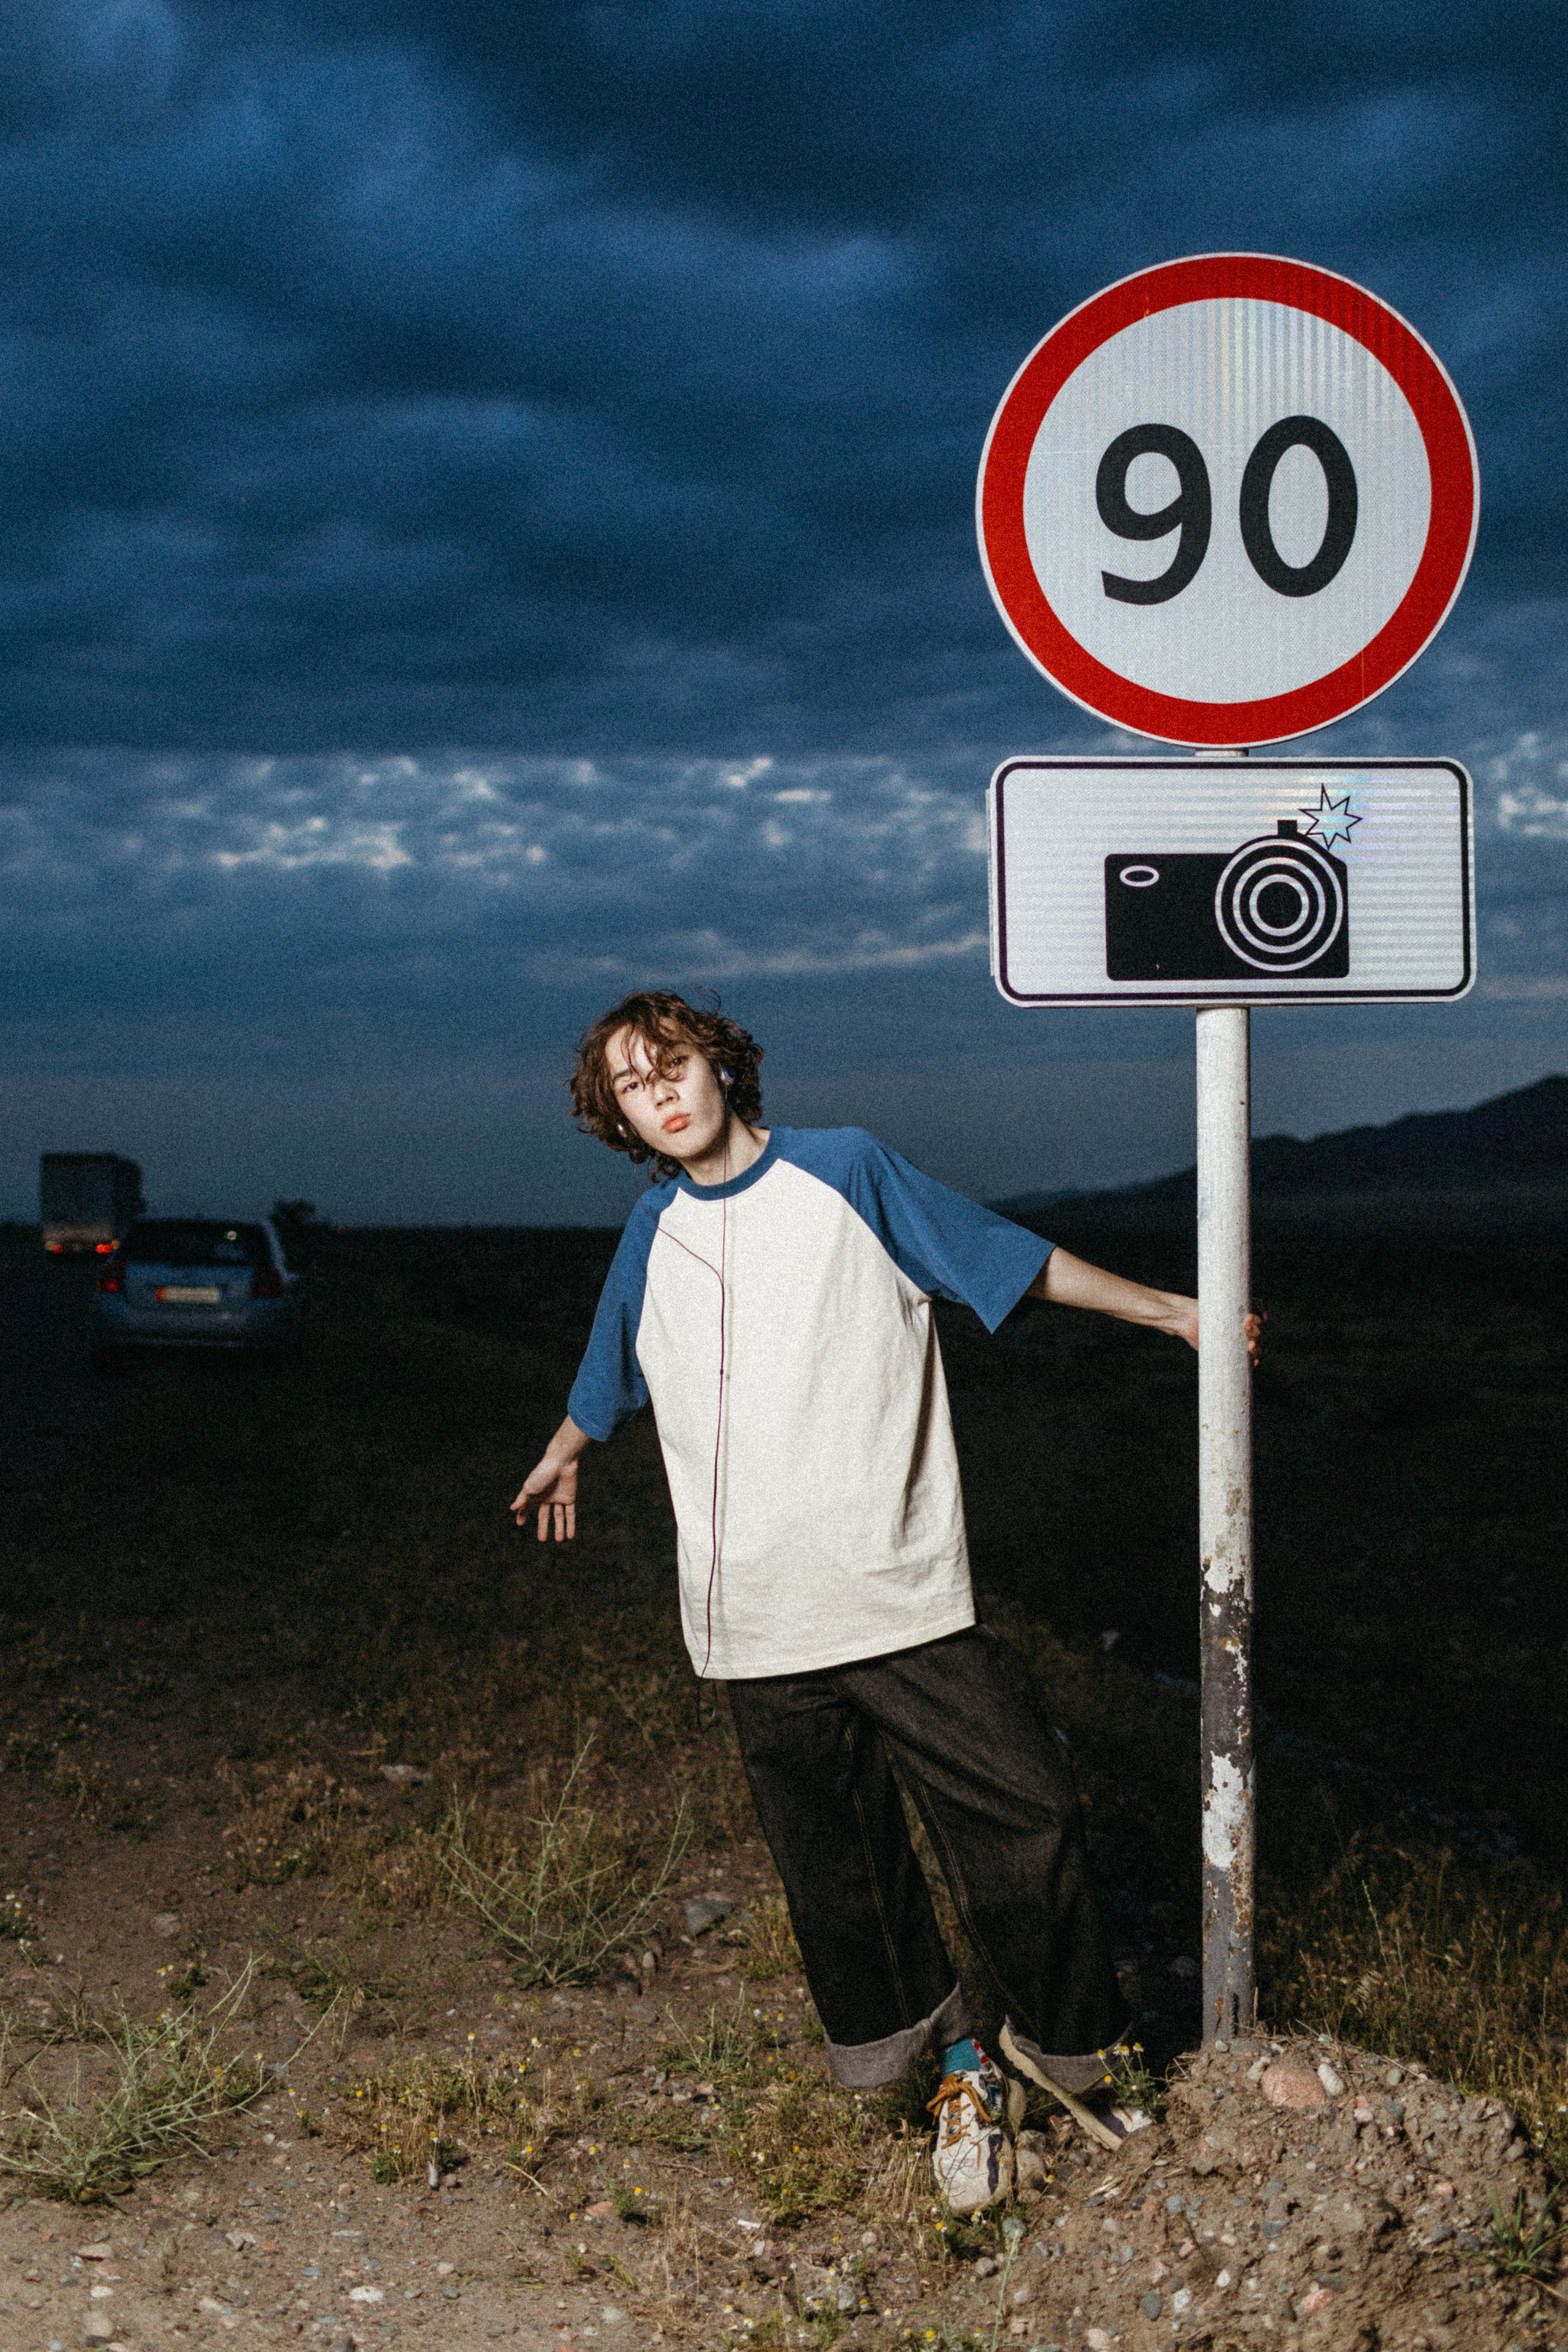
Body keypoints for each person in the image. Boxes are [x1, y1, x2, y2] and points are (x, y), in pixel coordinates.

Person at [513, 991, 1232, 2215]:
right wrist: (567, 1447)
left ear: (720, 1066)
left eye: (672, 1065)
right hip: (752, 1619)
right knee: (840, 1873)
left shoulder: (844, 1171)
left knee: (1030, 1814)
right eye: (634, 1087)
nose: (663, 1095)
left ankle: (1072, 2061)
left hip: (895, 1594)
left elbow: (1004, 1257)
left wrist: (1174, 1310)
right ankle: (954, 2071)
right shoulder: (651, 1229)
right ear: (617, 1115)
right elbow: (611, 1357)